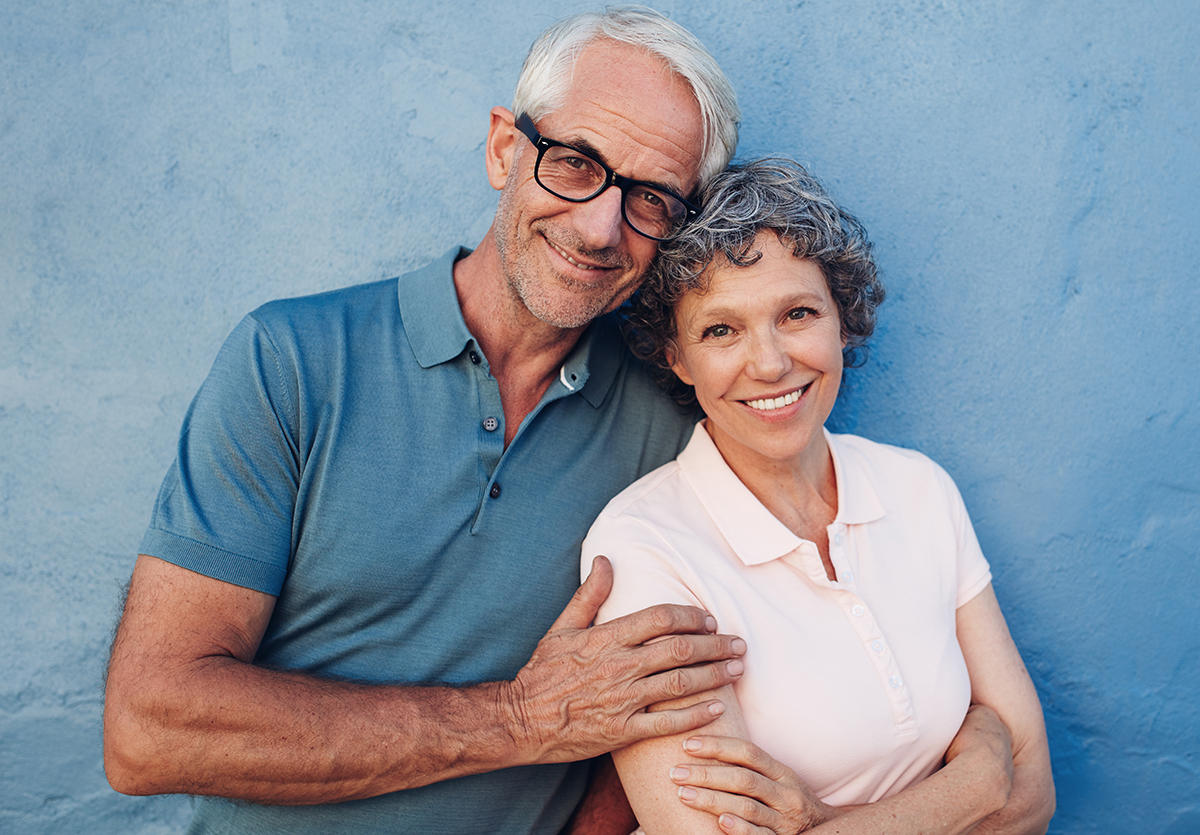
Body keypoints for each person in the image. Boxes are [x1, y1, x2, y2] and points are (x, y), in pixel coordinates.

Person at [102, 9, 750, 834]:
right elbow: (147, 730)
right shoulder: (292, 362)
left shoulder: (677, 426)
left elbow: (678, 693)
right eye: (577, 163)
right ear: (505, 150)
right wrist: (518, 719)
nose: (599, 228)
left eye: (651, 199)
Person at [581, 158, 1056, 834]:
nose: (770, 362)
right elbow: (1005, 780)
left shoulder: (918, 488)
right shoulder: (644, 547)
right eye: (722, 329)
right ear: (677, 357)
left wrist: (827, 820)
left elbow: (1034, 796)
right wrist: (976, 780)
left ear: (842, 320)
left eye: (798, 313)